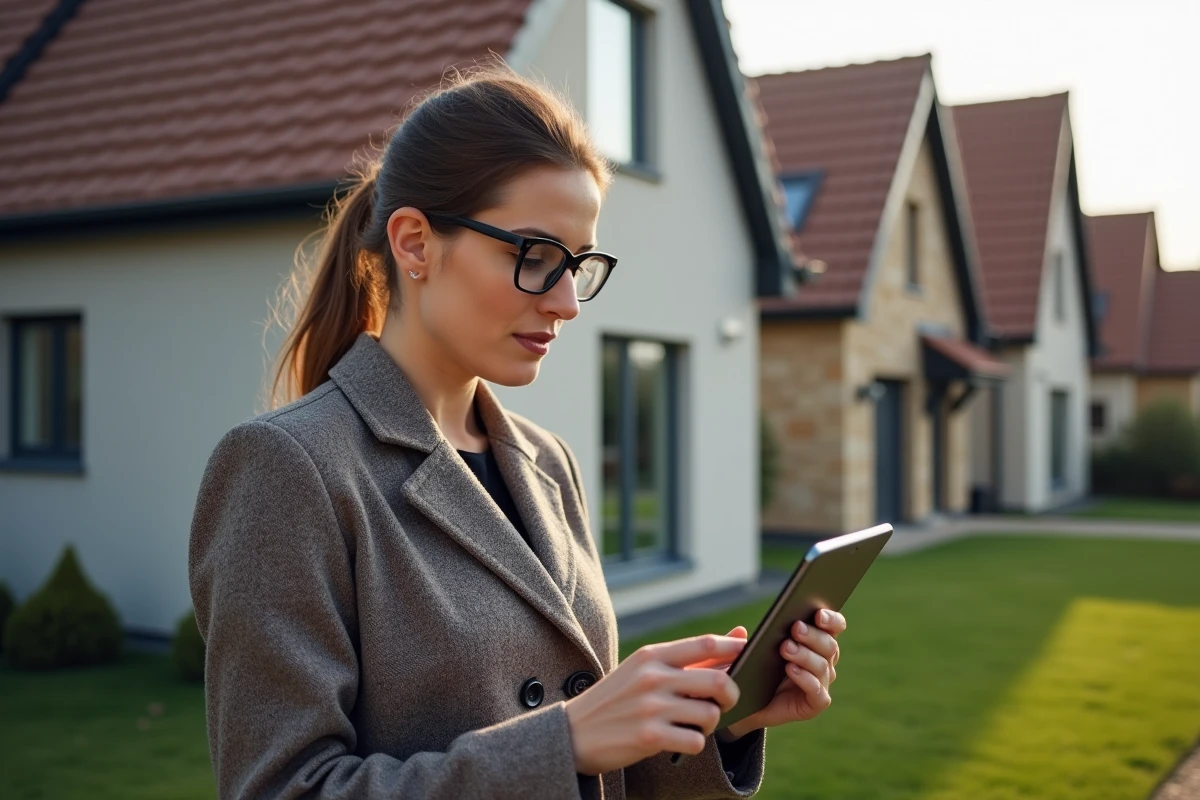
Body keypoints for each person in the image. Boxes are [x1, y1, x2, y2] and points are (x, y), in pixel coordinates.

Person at [188, 67, 847, 800]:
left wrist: (714, 718)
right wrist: (562, 740)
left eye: (580, 265)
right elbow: (281, 788)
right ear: (414, 245)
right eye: (535, 258)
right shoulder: (287, 467)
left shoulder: (547, 462)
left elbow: (598, 766)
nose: (567, 303)